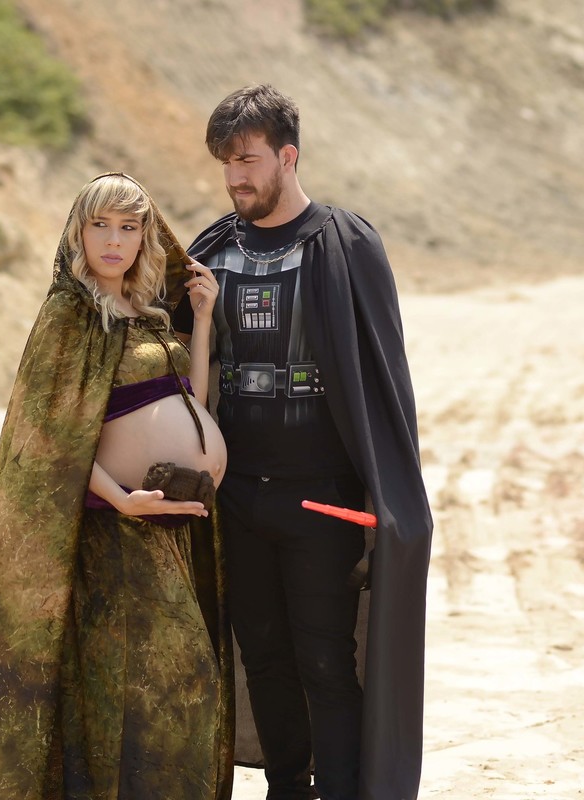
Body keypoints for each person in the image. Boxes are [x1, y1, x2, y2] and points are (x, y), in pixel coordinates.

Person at [173, 84, 434, 800]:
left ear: (288, 157)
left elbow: (384, 379)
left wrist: (390, 493)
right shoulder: (209, 255)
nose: (235, 178)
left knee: (324, 660)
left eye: (248, 160)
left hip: (323, 502)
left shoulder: (346, 245)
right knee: (263, 660)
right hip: (240, 500)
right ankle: (287, 790)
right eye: (226, 164)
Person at [0, 173, 235, 799]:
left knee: (174, 679)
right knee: (149, 680)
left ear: (144, 238)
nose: (114, 241)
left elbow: (194, 403)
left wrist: (205, 320)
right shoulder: (69, 313)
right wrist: (120, 499)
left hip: (166, 525)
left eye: (129, 228)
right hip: (111, 532)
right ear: (79, 233)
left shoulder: (150, 311)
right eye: (100, 226)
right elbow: (52, 441)